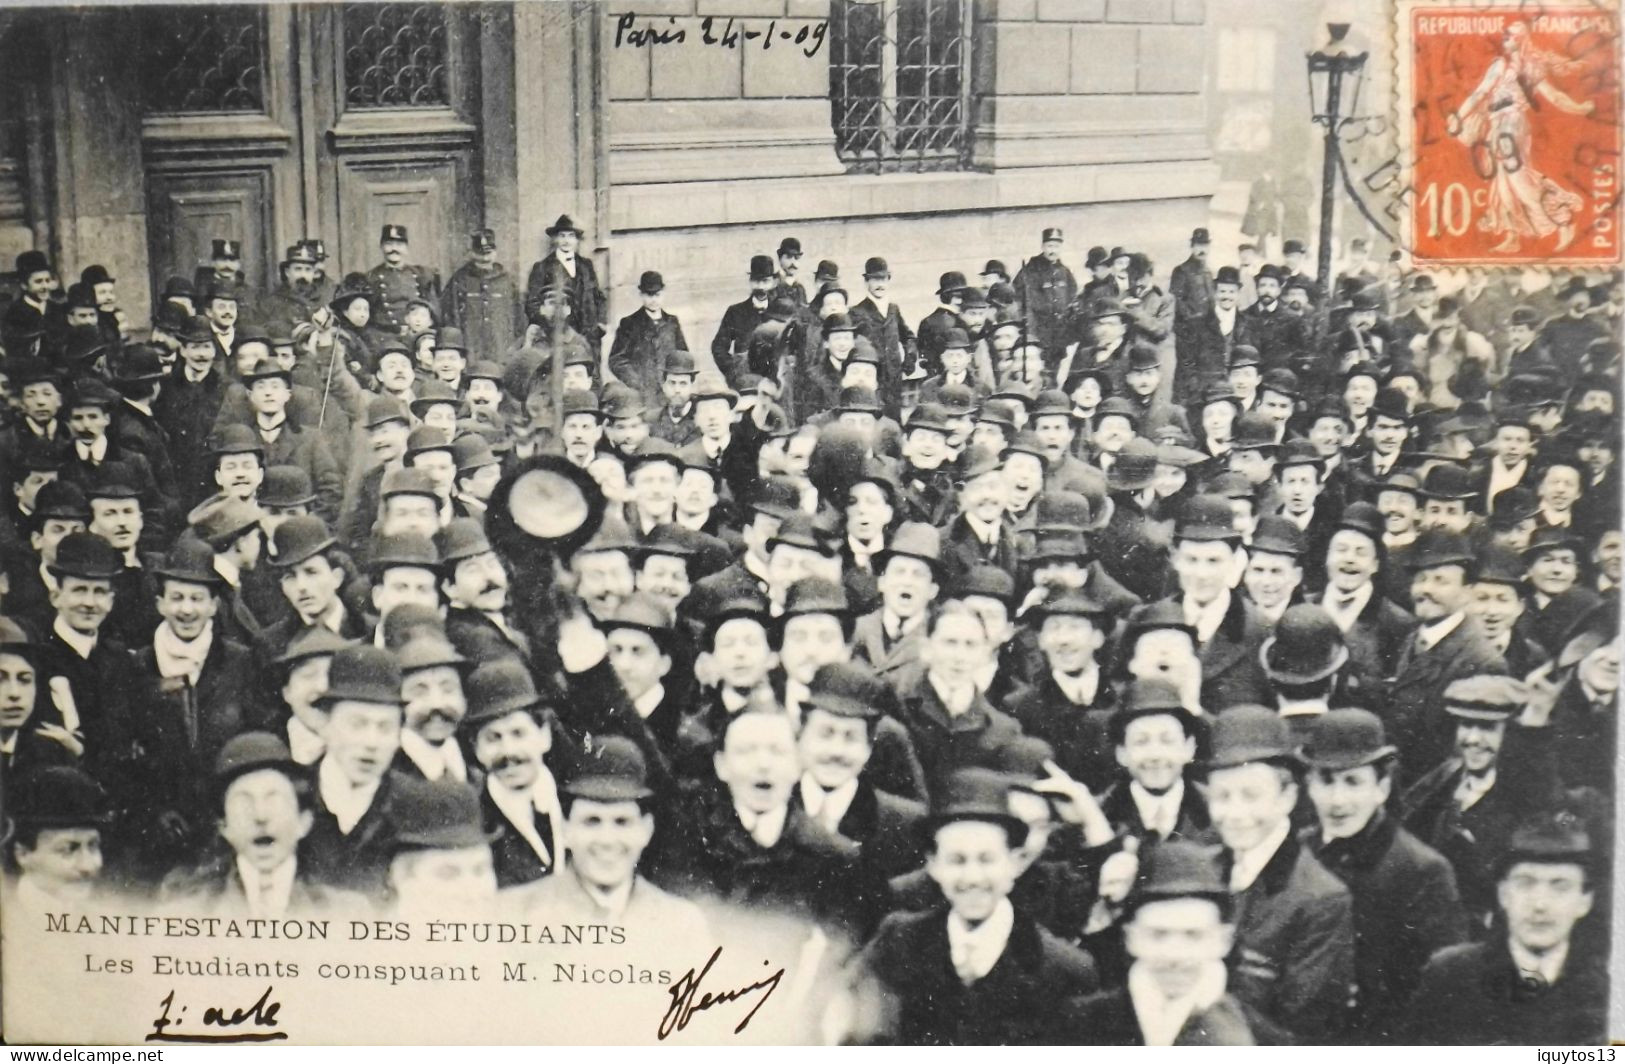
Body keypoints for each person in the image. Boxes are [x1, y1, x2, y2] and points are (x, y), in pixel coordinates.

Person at [840, 767, 1098, 1045]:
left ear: (1014, 863)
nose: (973, 878)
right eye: (957, 860)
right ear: (934, 866)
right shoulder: (898, 942)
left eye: (986, 860)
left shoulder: (1064, 969)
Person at [1299, 708, 1468, 1043]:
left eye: (1353, 781)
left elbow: (1446, 991)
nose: (1338, 800)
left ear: (1382, 788)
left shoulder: (1422, 870)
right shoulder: (1299, 851)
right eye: (1326, 780)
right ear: (1309, 785)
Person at [1203, 705, 1355, 1039]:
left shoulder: (1321, 899)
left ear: (1287, 797)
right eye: (1222, 796)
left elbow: (1304, 1035)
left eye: (1251, 795)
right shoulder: (1203, 870)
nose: (1235, 812)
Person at [1401, 810, 1608, 1043]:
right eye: (1525, 883)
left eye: (1560, 886)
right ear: (1503, 894)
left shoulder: (1606, 991)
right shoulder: (1450, 976)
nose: (1540, 904)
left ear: (1584, 901)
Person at [1053, 841, 1289, 1045]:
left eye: (1193, 936)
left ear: (1223, 941)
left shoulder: (1259, 1038)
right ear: (1131, 939)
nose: (1175, 955)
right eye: (1158, 935)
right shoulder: (1079, 1024)